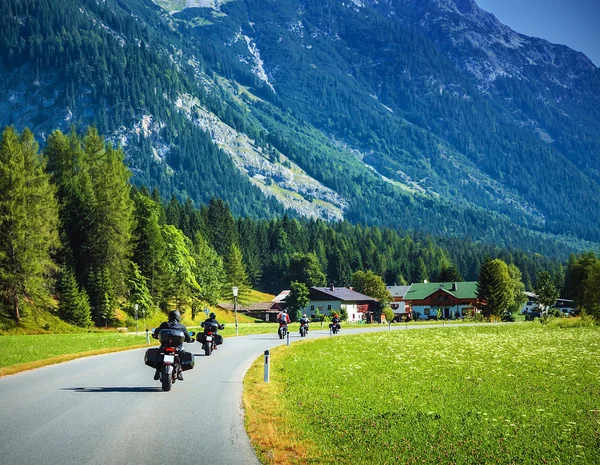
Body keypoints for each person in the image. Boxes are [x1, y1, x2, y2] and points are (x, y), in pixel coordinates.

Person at [153, 310, 192, 381]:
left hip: (165, 346)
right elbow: (188, 337)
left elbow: (157, 332)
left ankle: (157, 371)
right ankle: (179, 371)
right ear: (178, 317)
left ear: (169, 316)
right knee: (181, 353)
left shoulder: (164, 324)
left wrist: (155, 335)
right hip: (177, 347)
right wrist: (189, 340)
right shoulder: (181, 326)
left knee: (159, 353)